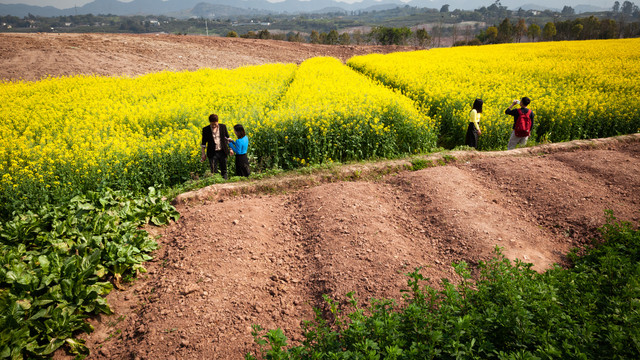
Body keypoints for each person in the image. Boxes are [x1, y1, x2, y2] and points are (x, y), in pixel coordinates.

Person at [200, 114, 230, 179]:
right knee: (213, 170)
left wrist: (231, 149)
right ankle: (216, 183)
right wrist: (203, 154)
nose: (213, 126)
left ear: (218, 121)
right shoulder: (206, 129)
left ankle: (225, 182)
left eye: (215, 124)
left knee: (224, 169)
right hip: (212, 153)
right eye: (212, 124)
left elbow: (228, 138)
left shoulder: (223, 127)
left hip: (222, 151)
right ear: (210, 122)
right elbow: (203, 143)